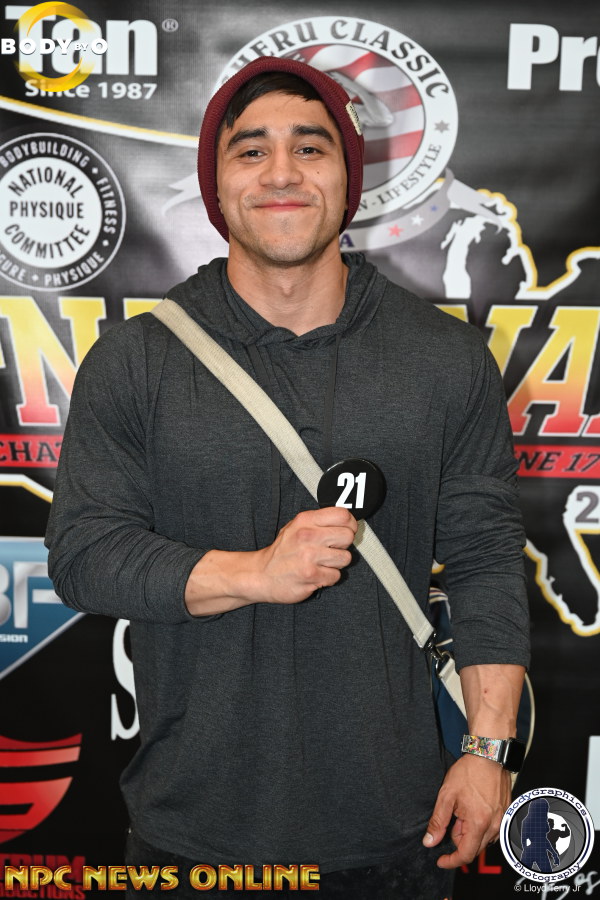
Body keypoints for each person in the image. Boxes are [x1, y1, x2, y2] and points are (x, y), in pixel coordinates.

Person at [45, 56, 530, 898]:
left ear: (348, 180)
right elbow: (84, 554)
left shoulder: (445, 359)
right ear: (217, 185)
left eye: (310, 148)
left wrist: (488, 751)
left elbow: (486, 559)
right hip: (194, 834)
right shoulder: (136, 360)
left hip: (398, 831)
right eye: (250, 151)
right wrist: (254, 573)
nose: (280, 173)